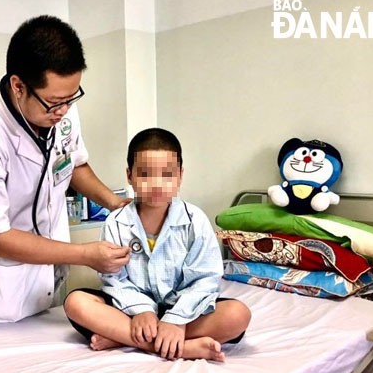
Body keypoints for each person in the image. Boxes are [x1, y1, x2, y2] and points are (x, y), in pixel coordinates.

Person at [0, 15, 131, 334]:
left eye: (72, 98)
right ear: (18, 85)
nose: (64, 111)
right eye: (55, 103)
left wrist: (115, 203)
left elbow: (73, 164)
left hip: (44, 291)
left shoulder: (61, 107)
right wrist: (86, 255)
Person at [64, 128, 251, 361]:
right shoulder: (117, 222)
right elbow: (114, 279)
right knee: (76, 303)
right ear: (129, 175)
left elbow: (205, 280)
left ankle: (124, 337)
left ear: (180, 175)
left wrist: (176, 319)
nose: (156, 184)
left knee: (237, 315)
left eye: (167, 174)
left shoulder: (195, 221)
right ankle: (182, 348)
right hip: (132, 312)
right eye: (145, 174)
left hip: (184, 309)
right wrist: (141, 310)